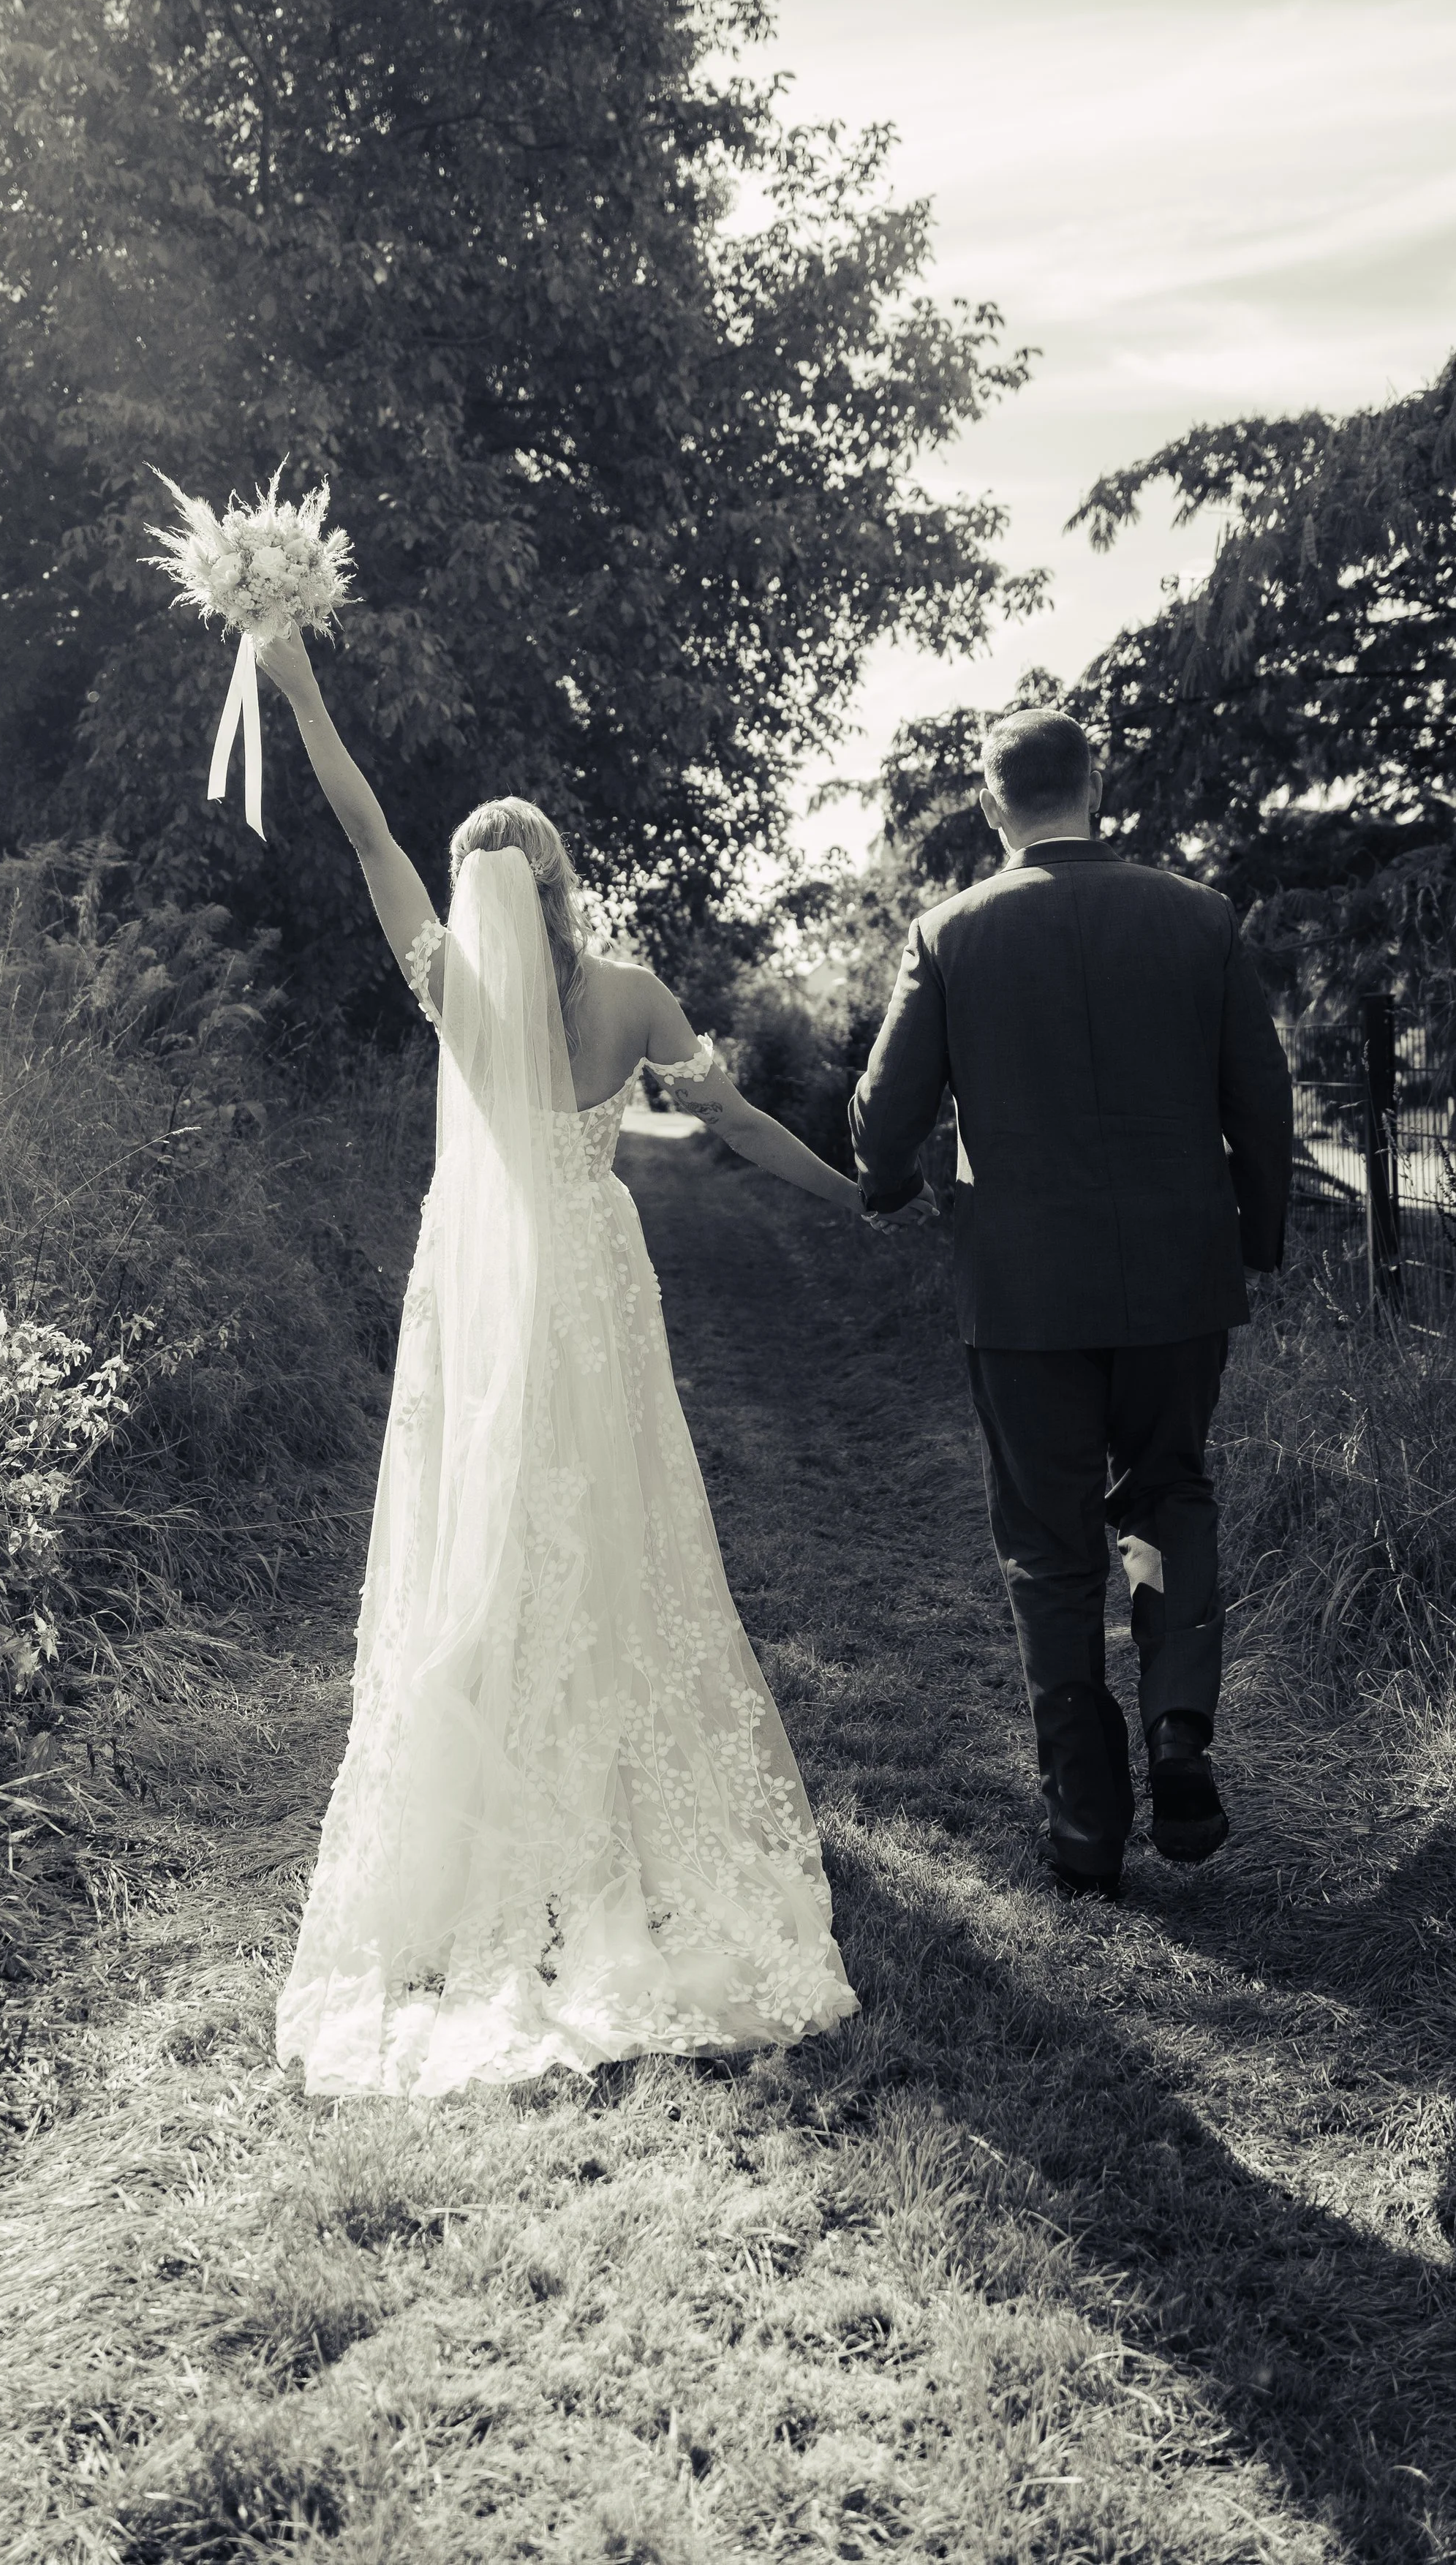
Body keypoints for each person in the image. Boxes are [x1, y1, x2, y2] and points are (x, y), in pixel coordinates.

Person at [255, 629, 861, 2092]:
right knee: (618, 1511)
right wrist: (852, 1195)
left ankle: (496, 1781)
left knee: (493, 1515)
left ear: (474, 895)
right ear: (563, 885)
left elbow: (364, 829)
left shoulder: (453, 992)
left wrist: (300, 687)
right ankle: (610, 1781)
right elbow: (732, 1124)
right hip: (594, 1278)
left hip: (485, 1290)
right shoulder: (635, 993)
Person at [850, 708, 1293, 1898]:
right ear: (1097, 786)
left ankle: (1087, 1829)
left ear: (991, 804)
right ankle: (1179, 1730)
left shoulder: (950, 933)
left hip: (1023, 1294)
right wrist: (1256, 1239)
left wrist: (888, 1186)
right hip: (1178, 1280)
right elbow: (1262, 1099)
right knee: (1170, 1494)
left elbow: (886, 1121)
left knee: (1049, 1552)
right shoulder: (1199, 917)